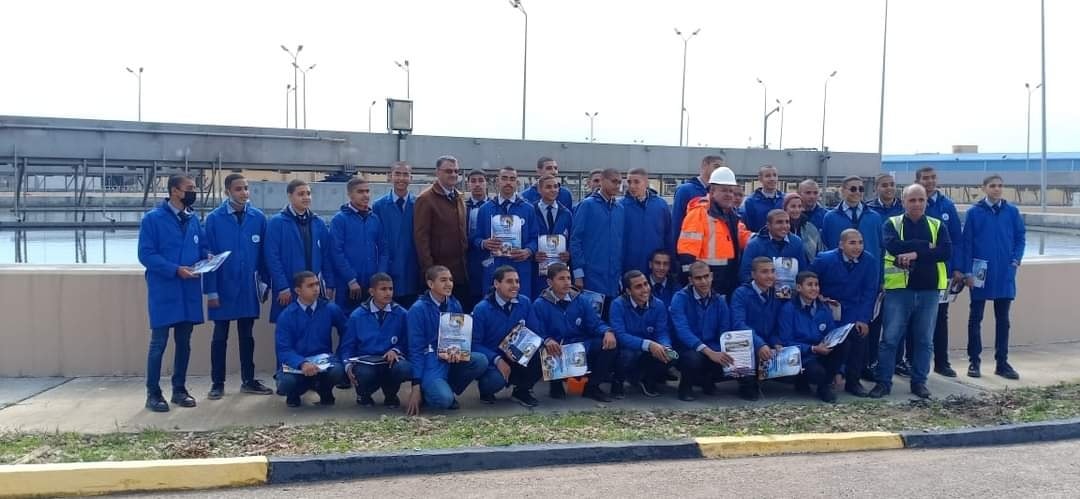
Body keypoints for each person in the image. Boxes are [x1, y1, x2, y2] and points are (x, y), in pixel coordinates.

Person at [869, 184, 952, 399]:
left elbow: (945, 252)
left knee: (924, 340)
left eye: (921, 200)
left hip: (929, 290)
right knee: (890, 339)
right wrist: (926, 247)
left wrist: (914, 253)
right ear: (903, 201)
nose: (917, 204)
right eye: (912, 200)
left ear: (926, 202)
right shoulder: (892, 223)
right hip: (899, 291)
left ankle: (919, 382)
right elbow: (893, 246)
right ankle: (883, 383)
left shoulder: (937, 225)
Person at [138, 174, 208, 412]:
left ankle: (179, 389)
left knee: (184, 342)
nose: (193, 192)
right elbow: (146, 254)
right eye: (190, 188)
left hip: (188, 290)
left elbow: (202, 247)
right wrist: (174, 270)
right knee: (158, 342)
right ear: (175, 191)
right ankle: (153, 393)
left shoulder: (193, 219)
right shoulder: (153, 219)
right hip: (165, 289)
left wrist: (208, 259)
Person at [203, 173, 273, 400]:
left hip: (248, 287)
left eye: (246, 188)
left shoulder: (258, 218)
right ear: (227, 192)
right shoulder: (214, 219)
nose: (244, 193)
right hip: (223, 286)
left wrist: (264, 284)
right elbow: (208, 258)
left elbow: (264, 255)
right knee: (220, 336)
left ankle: (248, 380)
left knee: (247, 335)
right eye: (238, 189)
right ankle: (217, 383)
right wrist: (211, 291)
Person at [961, 175, 1025, 380]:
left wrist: (1015, 259)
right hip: (980, 272)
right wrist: (967, 272)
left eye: (999, 186)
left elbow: (1020, 238)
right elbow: (966, 244)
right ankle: (974, 361)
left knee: (1003, 320)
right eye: (992, 186)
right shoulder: (974, 213)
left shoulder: (1012, 211)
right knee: (975, 318)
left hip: (1004, 272)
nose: (997, 189)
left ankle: (1002, 363)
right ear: (984, 188)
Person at [670, 261, 763, 401]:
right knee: (693, 359)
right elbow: (683, 332)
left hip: (713, 346)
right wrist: (709, 352)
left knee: (737, 353)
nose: (703, 281)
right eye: (698, 278)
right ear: (690, 280)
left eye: (706, 276)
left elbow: (724, 332)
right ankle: (685, 387)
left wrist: (730, 351)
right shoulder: (680, 298)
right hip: (686, 348)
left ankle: (741, 385)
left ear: (712, 276)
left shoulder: (720, 300)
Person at [528, 263, 619, 402]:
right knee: (544, 349)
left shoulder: (581, 300)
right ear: (549, 282)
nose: (566, 282)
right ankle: (556, 384)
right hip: (556, 349)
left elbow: (594, 324)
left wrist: (607, 331)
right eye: (561, 279)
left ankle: (592, 387)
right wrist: (547, 339)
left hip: (580, 345)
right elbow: (536, 331)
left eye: (568, 278)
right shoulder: (539, 304)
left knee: (608, 344)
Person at [405, 266, 489, 415]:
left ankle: (447, 389)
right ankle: (428, 392)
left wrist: (458, 350)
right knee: (443, 400)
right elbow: (415, 349)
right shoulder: (417, 309)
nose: (449, 284)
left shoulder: (454, 304)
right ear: (430, 284)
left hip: (450, 357)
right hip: (430, 361)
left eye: (450, 279)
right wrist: (415, 385)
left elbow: (460, 336)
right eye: (443, 280)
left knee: (480, 360)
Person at [810, 229, 880, 397]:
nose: (857, 247)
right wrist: (818, 296)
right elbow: (809, 279)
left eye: (860, 243)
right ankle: (827, 379)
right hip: (827, 309)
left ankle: (853, 381)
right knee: (832, 342)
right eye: (852, 243)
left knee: (859, 335)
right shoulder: (824, 259)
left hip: (853, 310)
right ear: (841, 245)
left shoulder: (869, 261)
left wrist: (863, 319)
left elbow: (869, 292)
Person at [914, 166, 963, 378]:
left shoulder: (947, 206)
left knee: (941, 318)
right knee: (914, 319)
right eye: (925, 178)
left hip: (942, 272)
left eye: (933, 177)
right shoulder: (912, 203)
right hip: (915, 270)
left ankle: (942, 362)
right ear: (918, 180)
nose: (930, 181)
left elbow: (957, 239)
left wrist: (957, 268)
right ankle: (912, 362)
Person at [274, 271, 348, 407]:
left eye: (317, 284)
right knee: (286, 382)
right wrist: (302, 363)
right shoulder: (286, 316)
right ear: (298, 290)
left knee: (338, 370)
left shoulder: (330, 308)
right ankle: (293, 395)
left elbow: (348, 333)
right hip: (297, 365)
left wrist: (339, 355)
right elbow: (283, 349)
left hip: (323, 362)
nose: (316, 289)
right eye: (310, 286)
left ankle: (325, 392)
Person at [265, 179, 336, 323]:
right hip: (289, 287)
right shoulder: (277, 223)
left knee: (315, 328)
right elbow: (272, 257)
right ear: (290, 196)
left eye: (308, 193)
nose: (306, 197)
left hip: (314, 288)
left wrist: (329, 284)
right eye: (301, 194)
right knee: (289, 328)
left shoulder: (318, 223)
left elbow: (326, 256)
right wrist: (282, 286)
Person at [676, 166, 752, 298]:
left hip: (725, 282)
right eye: (724, 190)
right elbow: (687, 254)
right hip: (705, 284)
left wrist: (761, 237)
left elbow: (742, 235)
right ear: (712, 191)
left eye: (731, 191)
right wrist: (692, 285)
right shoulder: (699, 214)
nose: (729, 194)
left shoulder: (730, 215)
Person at [472, 266, 543, 407]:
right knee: (495, 381)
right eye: (509, 281)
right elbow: (474, 344)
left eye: (517, 281)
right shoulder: (481, 309)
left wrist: (521, 347)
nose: (515, 285)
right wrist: (497, 359)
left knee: (543, 354)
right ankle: (486, 390)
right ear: (496, 284)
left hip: (517, 354)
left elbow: (535, 331)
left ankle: (522, 391)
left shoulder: (525, 302)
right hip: (493, 360)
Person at [338, 273, 411, 408]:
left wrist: (396, 350)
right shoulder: (357, 316)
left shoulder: (402, 314)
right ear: (372, 292)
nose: (388, 293)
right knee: (364, 373)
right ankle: (364, 395)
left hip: (389, 361)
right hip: (366, 363)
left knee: (403, 368)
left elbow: (407, 341)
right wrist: (347, 366)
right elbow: (347, 346)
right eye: (383, 289)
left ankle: (391, 395)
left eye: (391, 289)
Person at [776, 271, 850, 403]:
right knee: (817, 372)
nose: (814, 288)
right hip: (802, 356)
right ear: (799, 287)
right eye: (809, 285)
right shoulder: (788, 309)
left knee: (844, 343)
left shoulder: (823, 308)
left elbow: (832, 333)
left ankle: (824, 386)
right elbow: (786, 341)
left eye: (816, 285)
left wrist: (840, 371)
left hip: (821, 351)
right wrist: (812, 348)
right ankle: (805, 381)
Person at [473, 166, 539, 299]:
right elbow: (475, 238)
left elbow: (535, 238)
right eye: (504, 178)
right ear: (497, 182)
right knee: (492, 305)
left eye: (512, 179)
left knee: (521, 305)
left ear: (517, 183)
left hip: (520, 266)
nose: (508, 182)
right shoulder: (485, 209)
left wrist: (528, 251)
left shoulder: (528, 208)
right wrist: (484, 243)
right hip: (494, 266)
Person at [414, 155, 471, 306]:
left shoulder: (459, 198)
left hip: (459, 273)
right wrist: (430, 272)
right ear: (438, 172)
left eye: (456, 171)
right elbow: (421, 238)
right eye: (448, 171)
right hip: (438, 275)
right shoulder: (425, 199)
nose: (453, 174)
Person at [609, 270, 674, 397]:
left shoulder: (659, 304)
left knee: (672, 355)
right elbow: (620, 335)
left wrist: (666, 346)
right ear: (628, 291)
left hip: (649, 350)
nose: (645, 289)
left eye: (646, 284)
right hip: (627, 349)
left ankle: (647, 380)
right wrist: (648, 344)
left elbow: (662, 332)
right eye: (638, 286)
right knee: (627, 355)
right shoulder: (617, 304)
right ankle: (618, 381)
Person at [330, 176, 389, 315]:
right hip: (348, 285)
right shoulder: (339, 220)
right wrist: (350, 279)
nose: (365, 195)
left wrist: (379, 277)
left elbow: (384, 250)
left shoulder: (374, 219)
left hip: (371, 284)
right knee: (347, 322)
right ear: (350, 194)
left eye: (367, 191)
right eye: (360, 192)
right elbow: (336, 252)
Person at [570, 168, 626, 310]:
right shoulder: (587, 205)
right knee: (592, 317)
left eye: (619, 182)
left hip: (613, 277)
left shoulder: (619, 209)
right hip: (591, 276)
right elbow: (575, 240)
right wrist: (578, 274)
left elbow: (619, 244)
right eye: (614, 181)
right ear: (602, 181)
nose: (617, 185)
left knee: (611, 317)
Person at [865, 173, 902, 379]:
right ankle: (871, 361)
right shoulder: (869, 211)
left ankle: (897, 361)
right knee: (875, 321)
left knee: (898, 322)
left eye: (892, 185)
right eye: (884, 185)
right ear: (876, 188)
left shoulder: (904, 209)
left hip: (900, 273)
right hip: (877, 273)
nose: (889, 188)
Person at [374, 161, 421, 308]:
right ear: (390, 177)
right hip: (388, 269)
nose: (401, 178)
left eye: (405, 174)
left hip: (413, 270)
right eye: (397, 174)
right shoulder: (379, 206)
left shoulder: (419, 204)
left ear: (411, 178)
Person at [620, 167, 674, 277]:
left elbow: (668, 235)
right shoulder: (620, 206)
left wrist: (671, 263)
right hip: (629, 265)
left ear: (646, 183)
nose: (632, 186)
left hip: (656, 266)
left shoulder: (661, 205)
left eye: (636, 182)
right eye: (629, 182)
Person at [821, 176, 884, 264]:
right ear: (842, 191)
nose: (857, 192)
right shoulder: (830, 217)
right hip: (838, 268)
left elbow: (881, 248)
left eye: (861, 189)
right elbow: (825, 246)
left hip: (868, 268)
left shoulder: (875, 217)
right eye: (853, 189)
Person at [738, 209, 808, 284]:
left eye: (787, 222)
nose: (784, 226)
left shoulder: (797, 242)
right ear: (768, 225)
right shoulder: (754, 245)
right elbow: (745, 274)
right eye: (779, 222)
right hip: (762, 289)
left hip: (791, 289)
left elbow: (802, 272)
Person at [672, 155, 724, 249]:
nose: (719, 171)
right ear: (704, 165)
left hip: (712, 248)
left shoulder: (718, 193)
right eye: (716, 166)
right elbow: (677, 221)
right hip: (690, 248)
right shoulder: (685, 190)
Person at [533, 174, 573, 295]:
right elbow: (526, 237)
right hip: (537, 270)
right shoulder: (531, 210)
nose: (553, 190)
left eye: (556, 186)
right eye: (548, 187)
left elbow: (572, 239)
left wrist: (569, 253)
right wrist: (533, 253)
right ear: (539, 189)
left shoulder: (566, 213)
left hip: (559, 270)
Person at [465, 169, 491, 309]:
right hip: (467, 260)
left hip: (490, 257)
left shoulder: (494, 206)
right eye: (473, 181)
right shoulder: (461, 206)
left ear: (486, 183)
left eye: (481, 181)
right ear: (468, 184)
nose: (477, 184)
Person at [741, 165, 785, 233]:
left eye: (775, 175)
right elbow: (749, 228)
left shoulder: (784, 199)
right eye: (768, 176)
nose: (772, 179)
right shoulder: (751, 202)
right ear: (760, 179)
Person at [784, 192, 823, 263]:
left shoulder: (810, 227)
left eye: (799, 206)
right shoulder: (780, 228)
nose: (797, 210)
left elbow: (819, 250)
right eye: (793, 206)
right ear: (785, 208)